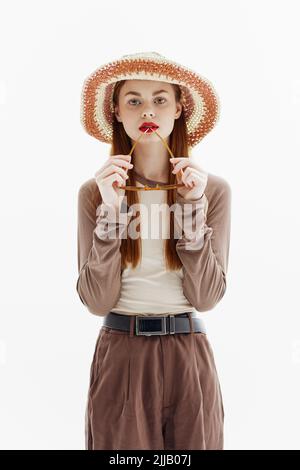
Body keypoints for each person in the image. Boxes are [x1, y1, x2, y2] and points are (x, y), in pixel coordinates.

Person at [76, 52, 231, 450]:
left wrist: (193, 208)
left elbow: (207, 297)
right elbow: (96, 300)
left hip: (188, 355)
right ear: (116, 111)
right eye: (134, 100)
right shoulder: (95, 193)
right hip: (120, 351)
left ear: (179, 108)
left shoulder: (211, 190)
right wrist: (111, 211)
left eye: (160, 99)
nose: (148, 109)